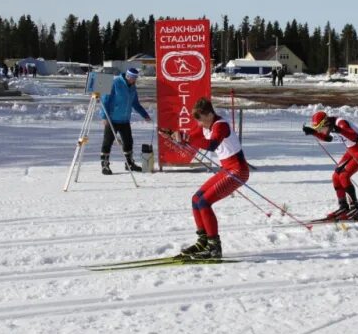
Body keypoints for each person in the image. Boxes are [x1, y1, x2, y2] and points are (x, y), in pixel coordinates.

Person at [169, 97, 250, 259]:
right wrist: (177, 135)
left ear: (208, 114)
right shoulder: (206, 124)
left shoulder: (221, 126)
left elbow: (212, 144)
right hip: (227, 168)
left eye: (200, 119)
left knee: (205, 202)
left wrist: (187, 138)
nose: (198, 123)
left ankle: (214, 247)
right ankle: (203, 241)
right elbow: (191, 135)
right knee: (196, 199)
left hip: (238, 170)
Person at [303, 110, 358, 220]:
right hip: (352, 150)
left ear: (326, 123)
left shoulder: (340, 123)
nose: (320, 131)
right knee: (336, 176)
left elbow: (354, 136)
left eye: (320, 128)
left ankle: (355, 209)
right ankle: (343, 207)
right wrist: (313, 132)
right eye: (318, 129)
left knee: (344, 176)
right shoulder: (330, 126)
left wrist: (340, 130)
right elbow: (328, 138)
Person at [100, 67, 151, 174]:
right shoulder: (115, 83)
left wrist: (144, 115)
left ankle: (129, 164)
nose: (134, 80)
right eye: (133, 78)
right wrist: (104, 117)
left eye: (136, 78)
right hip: (112, 119)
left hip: (124, 119)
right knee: (107, 142)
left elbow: (135, 103)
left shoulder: (132, 87)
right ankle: (105, 165)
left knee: (128, 142)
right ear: (128, 76)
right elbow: (105, 100)